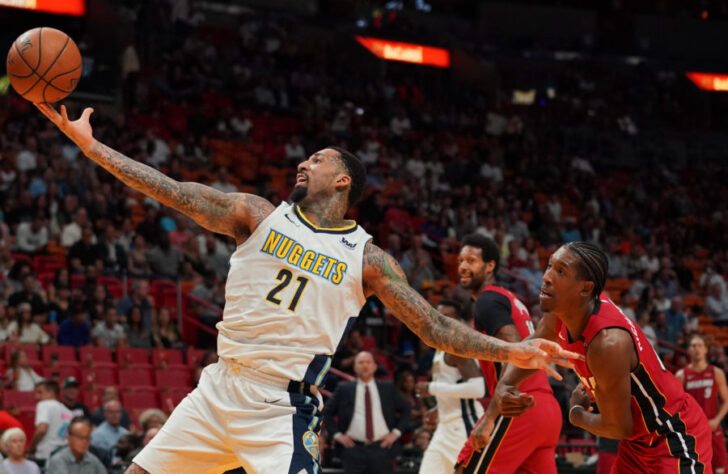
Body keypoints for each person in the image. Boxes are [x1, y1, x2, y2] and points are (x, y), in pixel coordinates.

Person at [35, 102, 576, 474]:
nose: (304, 162)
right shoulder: (255, 214)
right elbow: (172, 191)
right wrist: (92, 148)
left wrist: (511, 348)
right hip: (217, 389)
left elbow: (433, 327)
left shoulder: (368, 259)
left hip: (281, 408)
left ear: (343, 181)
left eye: (317, 159)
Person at [476, 242, 713, 473]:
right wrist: (505, 386)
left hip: (671, 434)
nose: (546, 277)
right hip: (636, 443)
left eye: (560, 271)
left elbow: (618, 426)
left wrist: (576, 414)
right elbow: (531, 350)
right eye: (549, 266)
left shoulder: (609, 342)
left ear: (586, 288)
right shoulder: (561, 312)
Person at [453, 234, 561, 473]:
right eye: (460, 260)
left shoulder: (487, 300)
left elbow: (516, 353)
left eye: (471, 260)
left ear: (490, 265)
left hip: (518, 404)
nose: (463, 266)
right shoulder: (508, 298)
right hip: (547, 409)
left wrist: (490, 418)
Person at [414, 299, 485, 473]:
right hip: (444, 426)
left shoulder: (458, 346)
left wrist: (431, 388)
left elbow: (478, 389)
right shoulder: (439, 348)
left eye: (446, 316)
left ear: (458, 321)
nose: (440, 321)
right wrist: (438, 409)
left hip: (463, 425)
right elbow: (452, 385)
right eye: (437, 317)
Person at [323, 351, 411, 474]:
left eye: (368, 362)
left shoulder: (388, 387)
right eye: (361, 362)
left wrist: (395, 434)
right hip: (353, 450)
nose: (365, 365)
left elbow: (406, 409)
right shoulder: (344, 388)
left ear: (374, 366)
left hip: (382, 449)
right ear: (355, 367)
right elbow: (326, 412)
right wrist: (338, 435)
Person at [676, 333, 728, 474]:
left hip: (713, 428)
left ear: (705, 349)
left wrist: (716, 420)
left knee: (720, 469)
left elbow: (726, 401)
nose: (697, 349)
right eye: (693, 346)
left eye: (700, 345)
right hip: (693, 432)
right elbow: (677, 406)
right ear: (689, 350)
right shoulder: (682, 375)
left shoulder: (716, 372)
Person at [29, 380, 73, 462]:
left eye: (40, 392)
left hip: (46, 455)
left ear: (51, 393)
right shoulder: (68, 411)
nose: (36, 397)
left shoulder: (44, 404)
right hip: (64, 456)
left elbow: (41, 429)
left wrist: (31, 448)